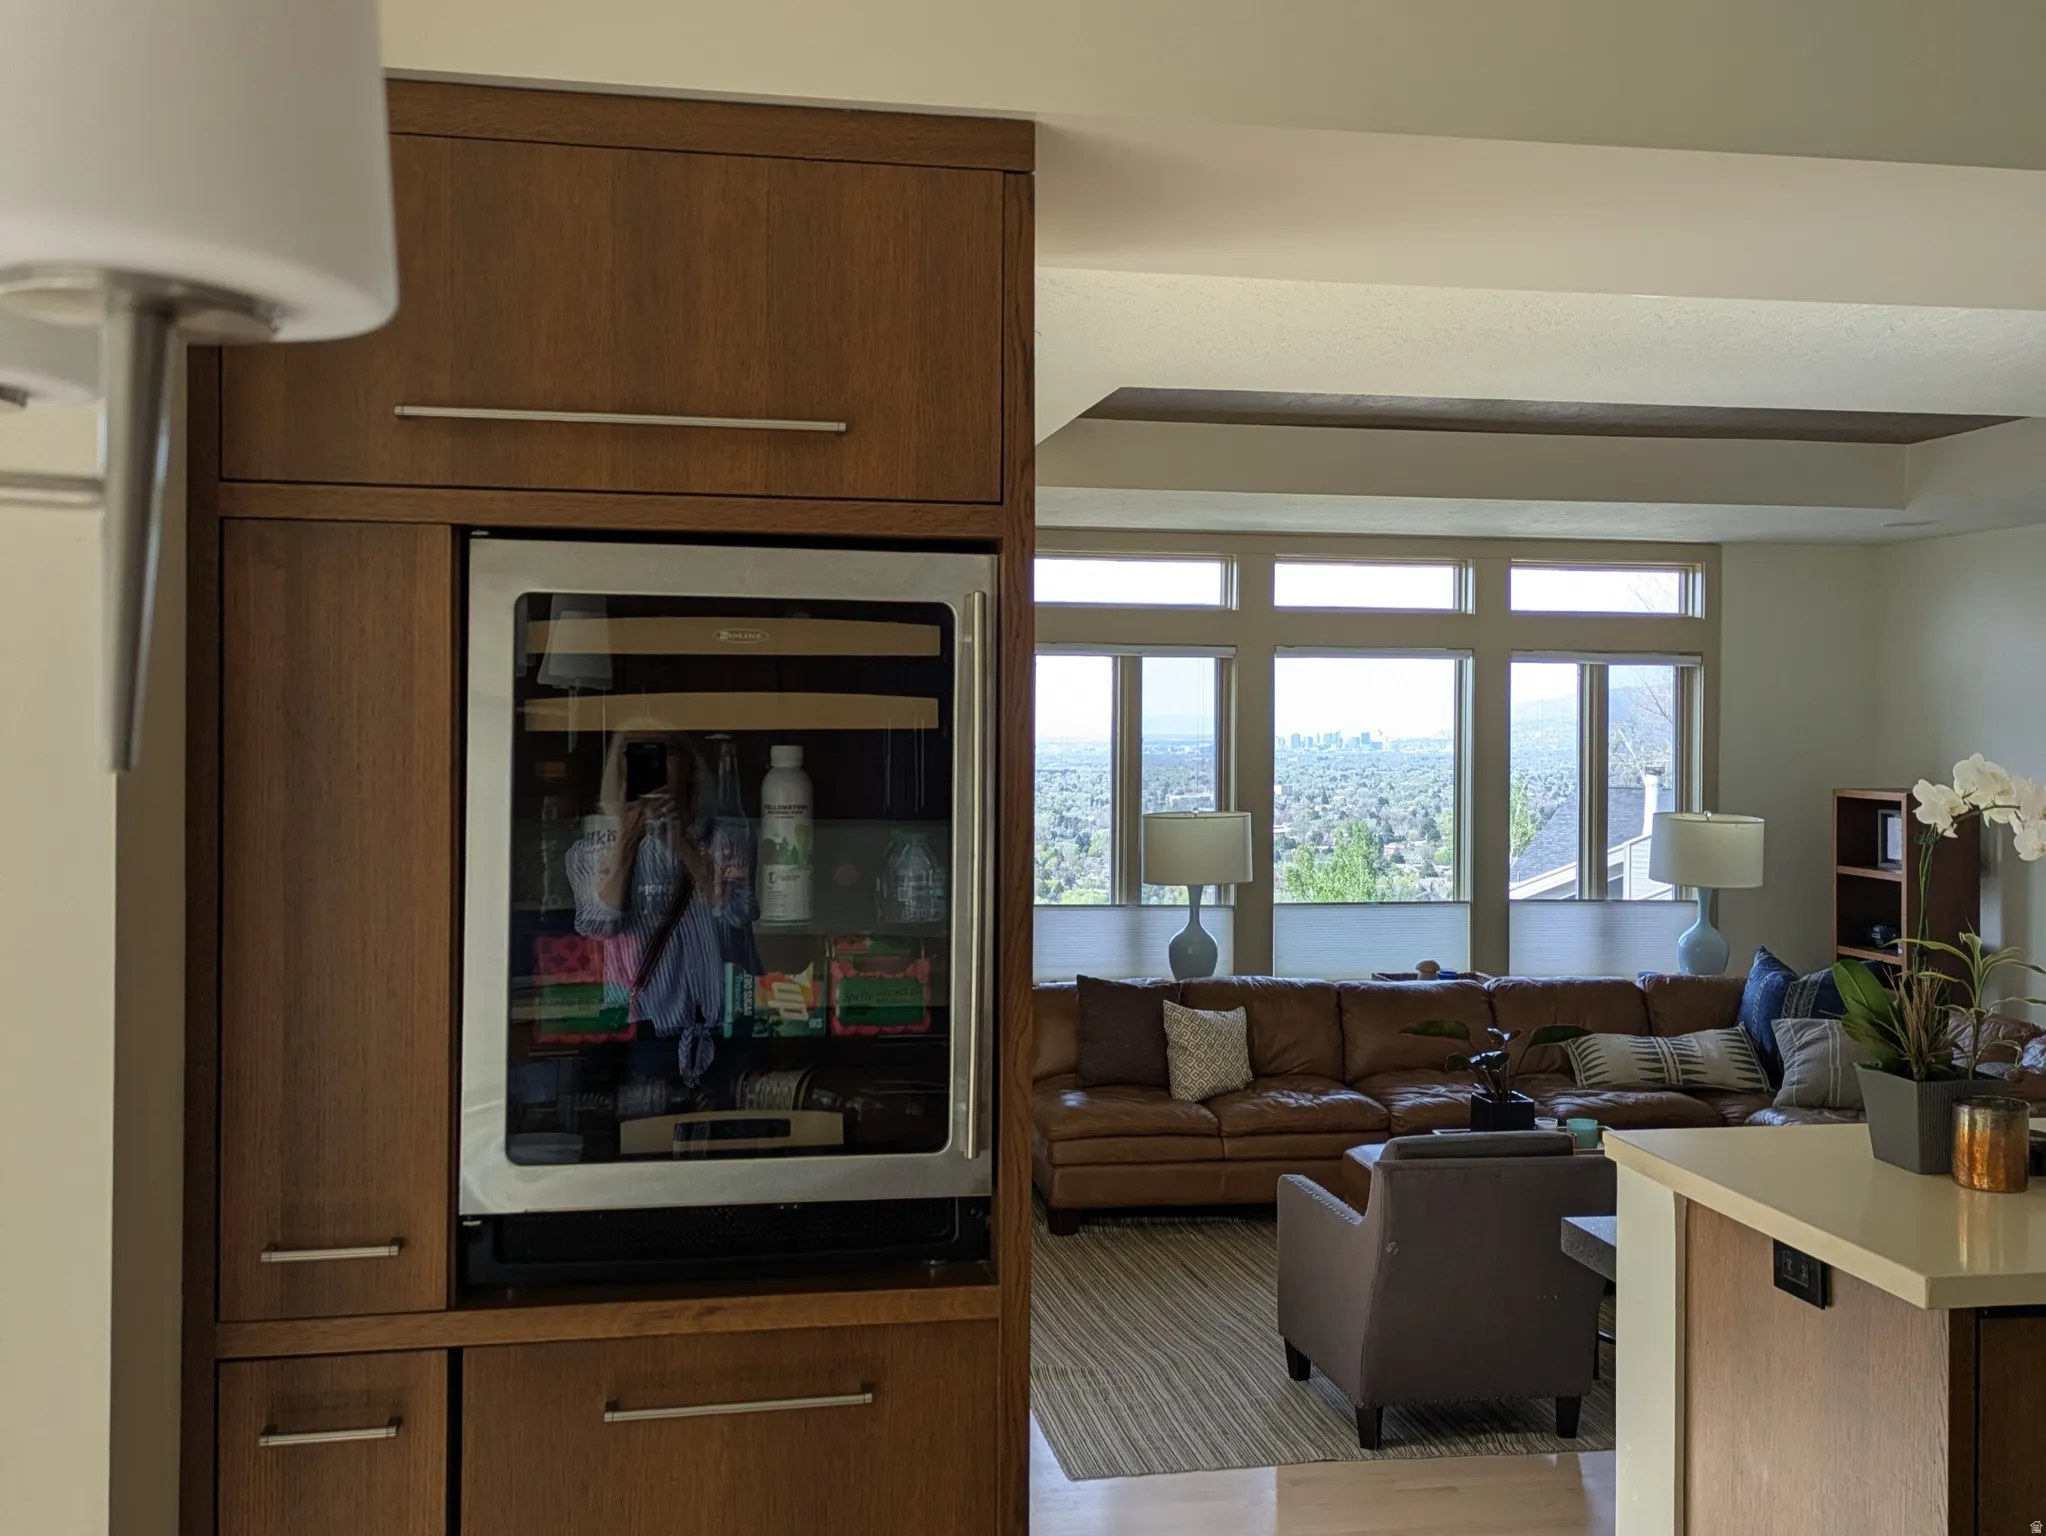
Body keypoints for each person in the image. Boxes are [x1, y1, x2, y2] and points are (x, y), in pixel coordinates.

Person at [565, 729, 758, 1087]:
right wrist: (626, 838)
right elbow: (597, 923)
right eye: (635, 754)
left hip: (731, 1029)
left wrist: (684, 845)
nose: (650, 765)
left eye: (664, 752)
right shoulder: (593, 850)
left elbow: (739, 912)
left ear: (689, 765)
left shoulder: (725, 837)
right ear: (618, 769)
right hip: (646, 1031)